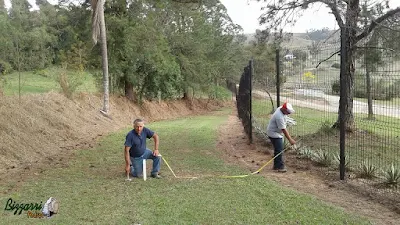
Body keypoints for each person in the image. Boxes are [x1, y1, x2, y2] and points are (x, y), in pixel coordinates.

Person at [266, 102, 296, 172]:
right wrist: (290, 140)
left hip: (277, 132)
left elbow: (284, 119)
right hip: (273, 133)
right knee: (279, 150)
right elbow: (284, 129)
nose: (288, 114)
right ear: (284, 109)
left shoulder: (280, 109)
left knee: (278, 149)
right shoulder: (279, 116)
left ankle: (277, 166)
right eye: (288, 112)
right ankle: (279, 167)